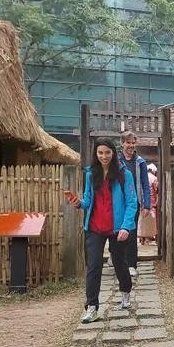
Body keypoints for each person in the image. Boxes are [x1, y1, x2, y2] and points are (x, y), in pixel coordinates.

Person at [68, 138, 137, 323]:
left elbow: (132, 202)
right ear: (95, 154)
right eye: (100, 153)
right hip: (95, 227)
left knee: (119, 262)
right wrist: (79, 203)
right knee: (94, 265)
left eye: (107, 152)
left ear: (113, 153)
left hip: (117, 228)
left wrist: (126, 226)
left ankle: (125, 291)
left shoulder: (124, 175)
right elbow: (88, 200)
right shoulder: (91, 174)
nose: (104, 156)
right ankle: (91, 307)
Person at [118, 131, 151, 276]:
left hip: (134, 202)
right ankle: (118, 259)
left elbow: (145, 184)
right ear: (122, 143)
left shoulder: (140, 162)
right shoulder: (116, 161)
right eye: (128, 142)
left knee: (131, 233)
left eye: (133, 143)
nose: (131, 146)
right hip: (118, 202)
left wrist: (147, 204)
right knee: (116, 231)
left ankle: (131, 264)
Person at [138, 163, 159, 245]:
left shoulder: (142, 178)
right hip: (151, 203)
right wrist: (156, 202)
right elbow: (156, 191)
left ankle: (142, 238)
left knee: (142, 220)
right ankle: (147, 238)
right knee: (151, 222)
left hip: (142, 202)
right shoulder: (154, 178)